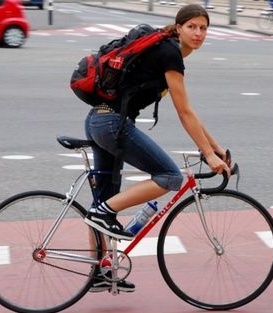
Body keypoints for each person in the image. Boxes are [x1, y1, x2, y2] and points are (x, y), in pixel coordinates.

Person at [83, 4, 231, 292]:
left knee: (103, 203)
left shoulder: (166, 49)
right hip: (112, 124)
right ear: (178, 28)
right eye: (192, 27)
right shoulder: (170, 53)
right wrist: (209, 155)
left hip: (98, 120)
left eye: (203, 28)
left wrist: (215, 147)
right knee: (170, 177)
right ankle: (102, 213)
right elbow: (184, 111)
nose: (198, 33)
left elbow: (190, 112)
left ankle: (99, 273)